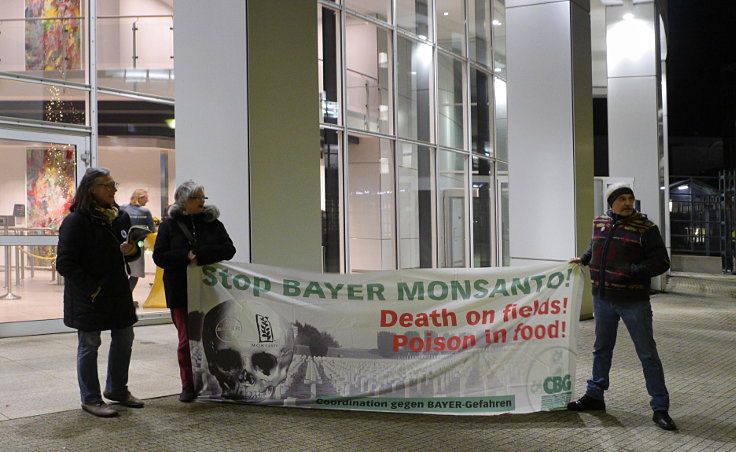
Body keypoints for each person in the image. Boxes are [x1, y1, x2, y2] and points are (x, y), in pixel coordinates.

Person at [567, 183, 676, 431]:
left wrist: (633, 272)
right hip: (603, 298)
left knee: (647, 354)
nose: (627, 203)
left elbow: (661, 261)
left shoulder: (646, 228)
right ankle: (595, 396)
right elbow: (596, 247)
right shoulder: (600, 223)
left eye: (630, 198)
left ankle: (660, 407)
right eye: (622, 199)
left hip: (633, 301)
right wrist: (584, 258)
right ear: (611, 203)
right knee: (601, 349)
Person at [56, 168, 145, 418]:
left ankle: (117, 389)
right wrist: (92, 288)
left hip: (117, 292)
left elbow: (133, 253)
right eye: (107, 185)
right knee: (89, 344)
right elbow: (64, 263)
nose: (113, 189)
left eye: (113, 184)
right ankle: (90, 398)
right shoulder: (76, 221)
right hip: (89, 296)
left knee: (124, 339)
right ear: (91, 189)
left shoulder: (121, 218)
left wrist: (131, 252)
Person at [153, 180, 235, 403]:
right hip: (180, 291)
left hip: (211, 292)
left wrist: (201, 254)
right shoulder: (169, 226)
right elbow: (159, 257)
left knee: (216, 339)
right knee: (186, 341)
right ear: (183, 201)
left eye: (202, 197)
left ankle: (218, 382)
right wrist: (184, 256)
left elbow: (229, 249)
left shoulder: (213, 224)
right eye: (196, 198)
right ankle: (188, 384)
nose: (201, 202)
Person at [120, 189, 156, 295]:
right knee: (135, 273)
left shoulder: (122, 208)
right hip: (137, 244)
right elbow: (152, 229)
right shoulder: (145, 212)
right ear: (140, 198)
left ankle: (122, 295)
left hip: (122, 244)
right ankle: (127, 294)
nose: (148, 200)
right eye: (146, 197)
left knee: (123, 271)